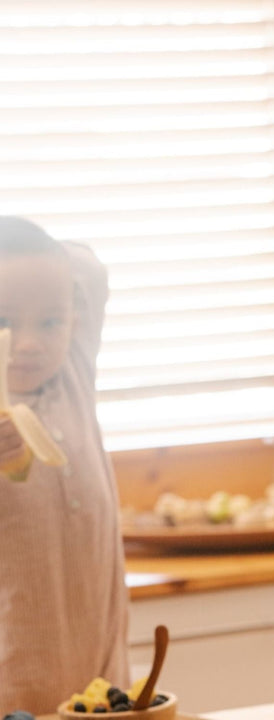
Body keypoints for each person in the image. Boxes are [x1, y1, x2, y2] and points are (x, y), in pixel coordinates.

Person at [0, 217, 129, 713]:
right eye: (4, 322)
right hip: (15, 687)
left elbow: (88, 269)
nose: (29, 342)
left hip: (101, 673)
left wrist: (39, 265)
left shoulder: (72, 368)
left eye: (50, 321)